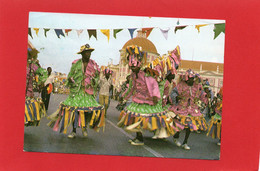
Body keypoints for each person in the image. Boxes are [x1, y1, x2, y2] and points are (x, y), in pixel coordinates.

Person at [117, 45, 178, 145]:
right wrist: (123, 97)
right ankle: (139, 137)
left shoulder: (146, 74)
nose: (132, 68)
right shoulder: (133, 75)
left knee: (145, 119)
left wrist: (155, 97)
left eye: (134, 65)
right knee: (136, 118)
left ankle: (143, 138)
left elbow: (154, 86)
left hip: (147, 102)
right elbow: (131, 89)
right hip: (137, 101)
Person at [48, 44, 105, 138]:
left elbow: (97, 77)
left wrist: (94, 81)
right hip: (77, 92)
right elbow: (70, 75)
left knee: (88, 111)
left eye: (89, 52)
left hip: (87, 93)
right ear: (82, 54)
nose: (89, 54)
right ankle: (74, 131)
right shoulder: (76, 64)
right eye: (87, 52)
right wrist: (70, 79)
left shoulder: (94, 65)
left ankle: (84, 128)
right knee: (75, 110)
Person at [169, 69, 208, 150]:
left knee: (190, 126)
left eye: (192, 78)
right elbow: (173, 92)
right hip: (182, 108)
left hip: (192, 109)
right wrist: (176, 97)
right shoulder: (181, 85)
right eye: (190, 78)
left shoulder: (197, 86)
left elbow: (202, 94)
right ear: (186, 78)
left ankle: (185, 142)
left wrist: (205, 97)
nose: (191, 80)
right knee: (180, 124)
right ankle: (176, 136)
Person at [25, 48, 46, 126]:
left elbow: (43, 73)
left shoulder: (33, 66)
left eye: (27, 53)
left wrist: (41, 82)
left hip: (28, 90)